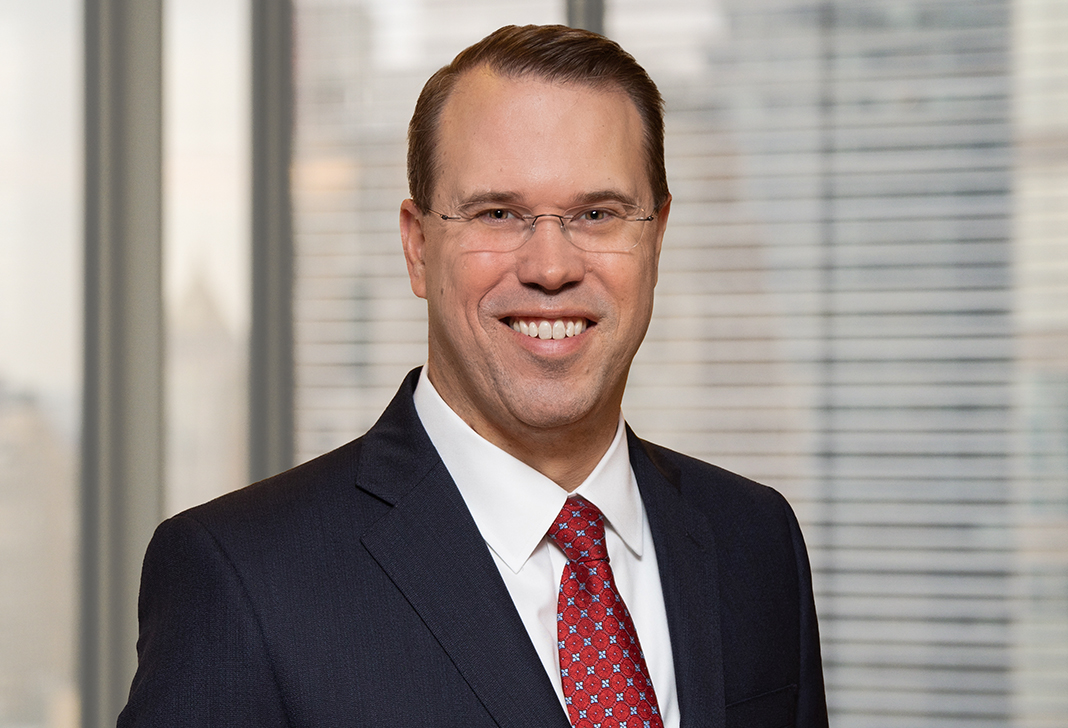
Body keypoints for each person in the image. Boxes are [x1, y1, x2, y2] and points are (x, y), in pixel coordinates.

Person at [119, 24, 827, 728]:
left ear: (657, 238)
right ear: (418, 247)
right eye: (498, 213)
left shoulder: (755, 540)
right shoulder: (242, 579)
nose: (551, 267)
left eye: (597, 213)